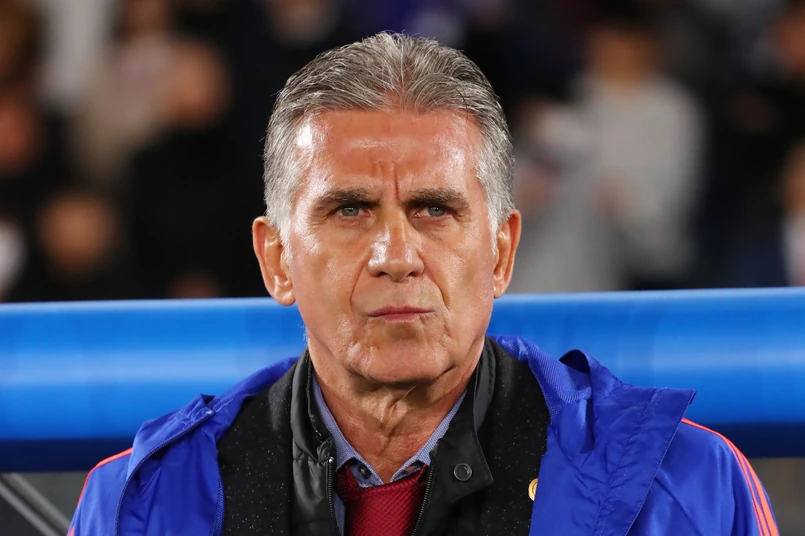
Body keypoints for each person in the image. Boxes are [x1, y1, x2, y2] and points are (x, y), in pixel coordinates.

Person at [67, 32, 778, 536]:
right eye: (350, 210)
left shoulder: (688, 490)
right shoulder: (138, 507)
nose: (394, 255)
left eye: (434, 209)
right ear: (276, 259)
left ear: (500, 253)